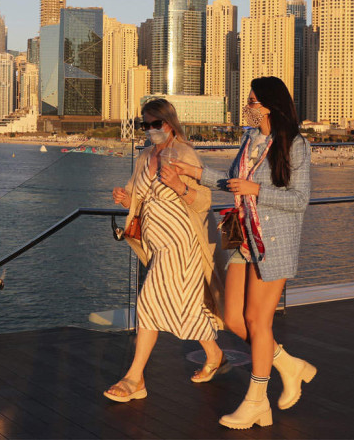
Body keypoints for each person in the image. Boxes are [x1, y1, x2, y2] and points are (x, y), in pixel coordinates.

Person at [168, 76, 315, 429]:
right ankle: (288, 364)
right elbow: (234, 183)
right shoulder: (250, 138)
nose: (246, 107)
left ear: (269, 105)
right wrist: (195, 173)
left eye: (251, 101)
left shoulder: (295, 144)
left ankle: (256, 401)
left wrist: (256, 189)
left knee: (257, 321)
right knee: (232, 317)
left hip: (272, 241)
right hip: (241, 235)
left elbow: (299, 200)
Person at [104, 98, 229, 402]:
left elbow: (204, 201)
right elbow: (138, 196)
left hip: (180, 242)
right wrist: (125, 198)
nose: (150, 129)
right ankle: (214, 353)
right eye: (144, 124)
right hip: (156, 243)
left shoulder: (185, 154)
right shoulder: (145, 156)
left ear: (169, 124)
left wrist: (178, 185)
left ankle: (135, 377)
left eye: (155, 123)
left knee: (148, 302)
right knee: (186, 305)